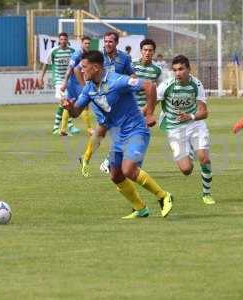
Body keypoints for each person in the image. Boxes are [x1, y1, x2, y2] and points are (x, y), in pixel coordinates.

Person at [63, 50, 173, 219]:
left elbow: (149, 86)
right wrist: (70, 108)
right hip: (119, 136)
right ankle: (140, 208)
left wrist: (149, 113)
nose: (82, 71)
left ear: (96, 67)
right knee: (116, 175)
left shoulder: (117, 80)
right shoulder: (89, 88)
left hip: (136, 130)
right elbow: (76, 112)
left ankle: (164, 196)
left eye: (84, 67)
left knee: (128, 169)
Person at [157, 55, 215, 205]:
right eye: (175, 70)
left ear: (189, 69)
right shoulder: (166, 85)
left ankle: (206, 194)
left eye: (181, 69)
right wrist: (146, 115)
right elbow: (152, 100)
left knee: (204, 158)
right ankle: (188, 150)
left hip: (195, 124)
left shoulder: (197, 84)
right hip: (175, 128)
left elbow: (204, 112)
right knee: (186, 170)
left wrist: (190, 116)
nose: (178, 73)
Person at [80, 31, 134, 176]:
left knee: (102, 131)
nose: (107, 44)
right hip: (101, 99)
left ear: (116, 43)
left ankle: (86, 158)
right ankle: (108, 162)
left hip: (117, 99)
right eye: (105, 41)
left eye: (110, 41)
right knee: (120, 130)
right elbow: (85, 73)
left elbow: (131, 74)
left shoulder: (124, 58)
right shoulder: (97, 57)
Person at [38, 32, 78, 136]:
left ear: (67, 40)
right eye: (61, 39)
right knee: (64, 102)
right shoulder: (53, 51)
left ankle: (64, 127)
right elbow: (46, 65)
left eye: (65, 39)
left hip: (70, 80)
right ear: (59, 41)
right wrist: (41, 77)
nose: (63, 41)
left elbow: (77, 67)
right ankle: (61, 127)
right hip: (59, 80)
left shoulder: (72, 51)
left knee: (67, 103)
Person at [59, 36, 94, 136]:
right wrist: (65, 82)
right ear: (81, 44)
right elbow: (70, 69)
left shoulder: (86, 55)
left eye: (88, 43)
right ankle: (89, 129)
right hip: (74, 84)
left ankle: (63, 129)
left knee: (68, 104)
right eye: (85, 43)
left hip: (78, 83)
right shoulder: (77, 55)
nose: (87, 45)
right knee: (85, 104)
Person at [132, 39, 162, 109]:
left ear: (154, 52)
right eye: (145, 50)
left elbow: (160, 92)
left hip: (144, 110)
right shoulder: (131, 64)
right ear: (141, 51)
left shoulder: (158, 70)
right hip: (128, 108)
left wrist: (147, 109)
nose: (147, 53)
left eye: (150, 50)